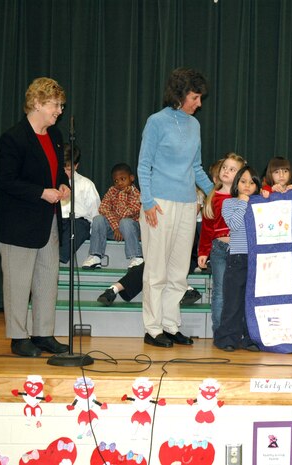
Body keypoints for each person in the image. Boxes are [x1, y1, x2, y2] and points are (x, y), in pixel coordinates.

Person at [138, 67, 214, 348]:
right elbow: (143, 164)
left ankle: (170, 325)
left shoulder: (195, 126)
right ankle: (153, 328)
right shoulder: (156, 122)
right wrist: (147, 201)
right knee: (156, 271)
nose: (199, 103)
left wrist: (214, 194)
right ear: (181, 94)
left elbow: (196, 167)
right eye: (195, 97)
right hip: (157, 204)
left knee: (179, 271)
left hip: (186, 205)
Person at [0, 77, 71, 357]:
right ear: (37, 103)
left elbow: (57, 172)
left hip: (47, 221)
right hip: (18, 224)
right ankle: (18, 337)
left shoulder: (54, 136)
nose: (59, 111)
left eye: (61, 105)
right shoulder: (13, 138)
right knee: (18, 283)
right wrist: (42, 192)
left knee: (47, 280)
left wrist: (63, 183)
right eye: (55, 105)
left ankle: (43, 333)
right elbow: (5, 181)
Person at [214, 166, 262, 351]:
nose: (247, 186)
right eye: (243, 182)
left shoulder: (259, 202)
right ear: (236, 184)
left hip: (256, 258)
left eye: (252, 183)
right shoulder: (230, 203)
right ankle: (227, 339)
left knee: (251, 302)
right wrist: (243, 202)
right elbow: (233, 224)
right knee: (233, 302)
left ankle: (250, 338)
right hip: (236, 258)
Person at [198, 153, 246, 337]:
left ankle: (238, 330)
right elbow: (207, 229)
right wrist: (203, 252)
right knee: (219, 291)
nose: (226, 171)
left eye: (232, 169)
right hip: (219, 249)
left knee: (238, 291)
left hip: (240, 250)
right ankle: (219, 331)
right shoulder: (212, 198)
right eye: (225, 167)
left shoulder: (245, 197)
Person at [82, 163, 142, 269]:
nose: (119, 183)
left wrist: (123, 194)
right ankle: (95, 256)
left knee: (125, 222)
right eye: (116, 181)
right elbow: (103, 208)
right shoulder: (112, 191)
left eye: (123, 179)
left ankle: (136, 257)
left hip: (131, 232)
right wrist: (115, 227)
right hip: (115, 231)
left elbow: (126, 213)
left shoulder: (137, 194)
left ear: (131, 178)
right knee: (98, 219)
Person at [59, 143, 100, 264]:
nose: (65, 173)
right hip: (58, 222)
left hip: (78, 223)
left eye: (69, 169)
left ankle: (60, 255)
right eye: (63, 169)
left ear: (76, 166)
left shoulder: (86, 185)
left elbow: (95, 215)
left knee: (79, 226)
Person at [96, 262, 201, 307]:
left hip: (192, 254)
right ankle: (186, 289)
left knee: (154, 266)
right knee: (150, 265)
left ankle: (113, 289)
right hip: (168, 251)